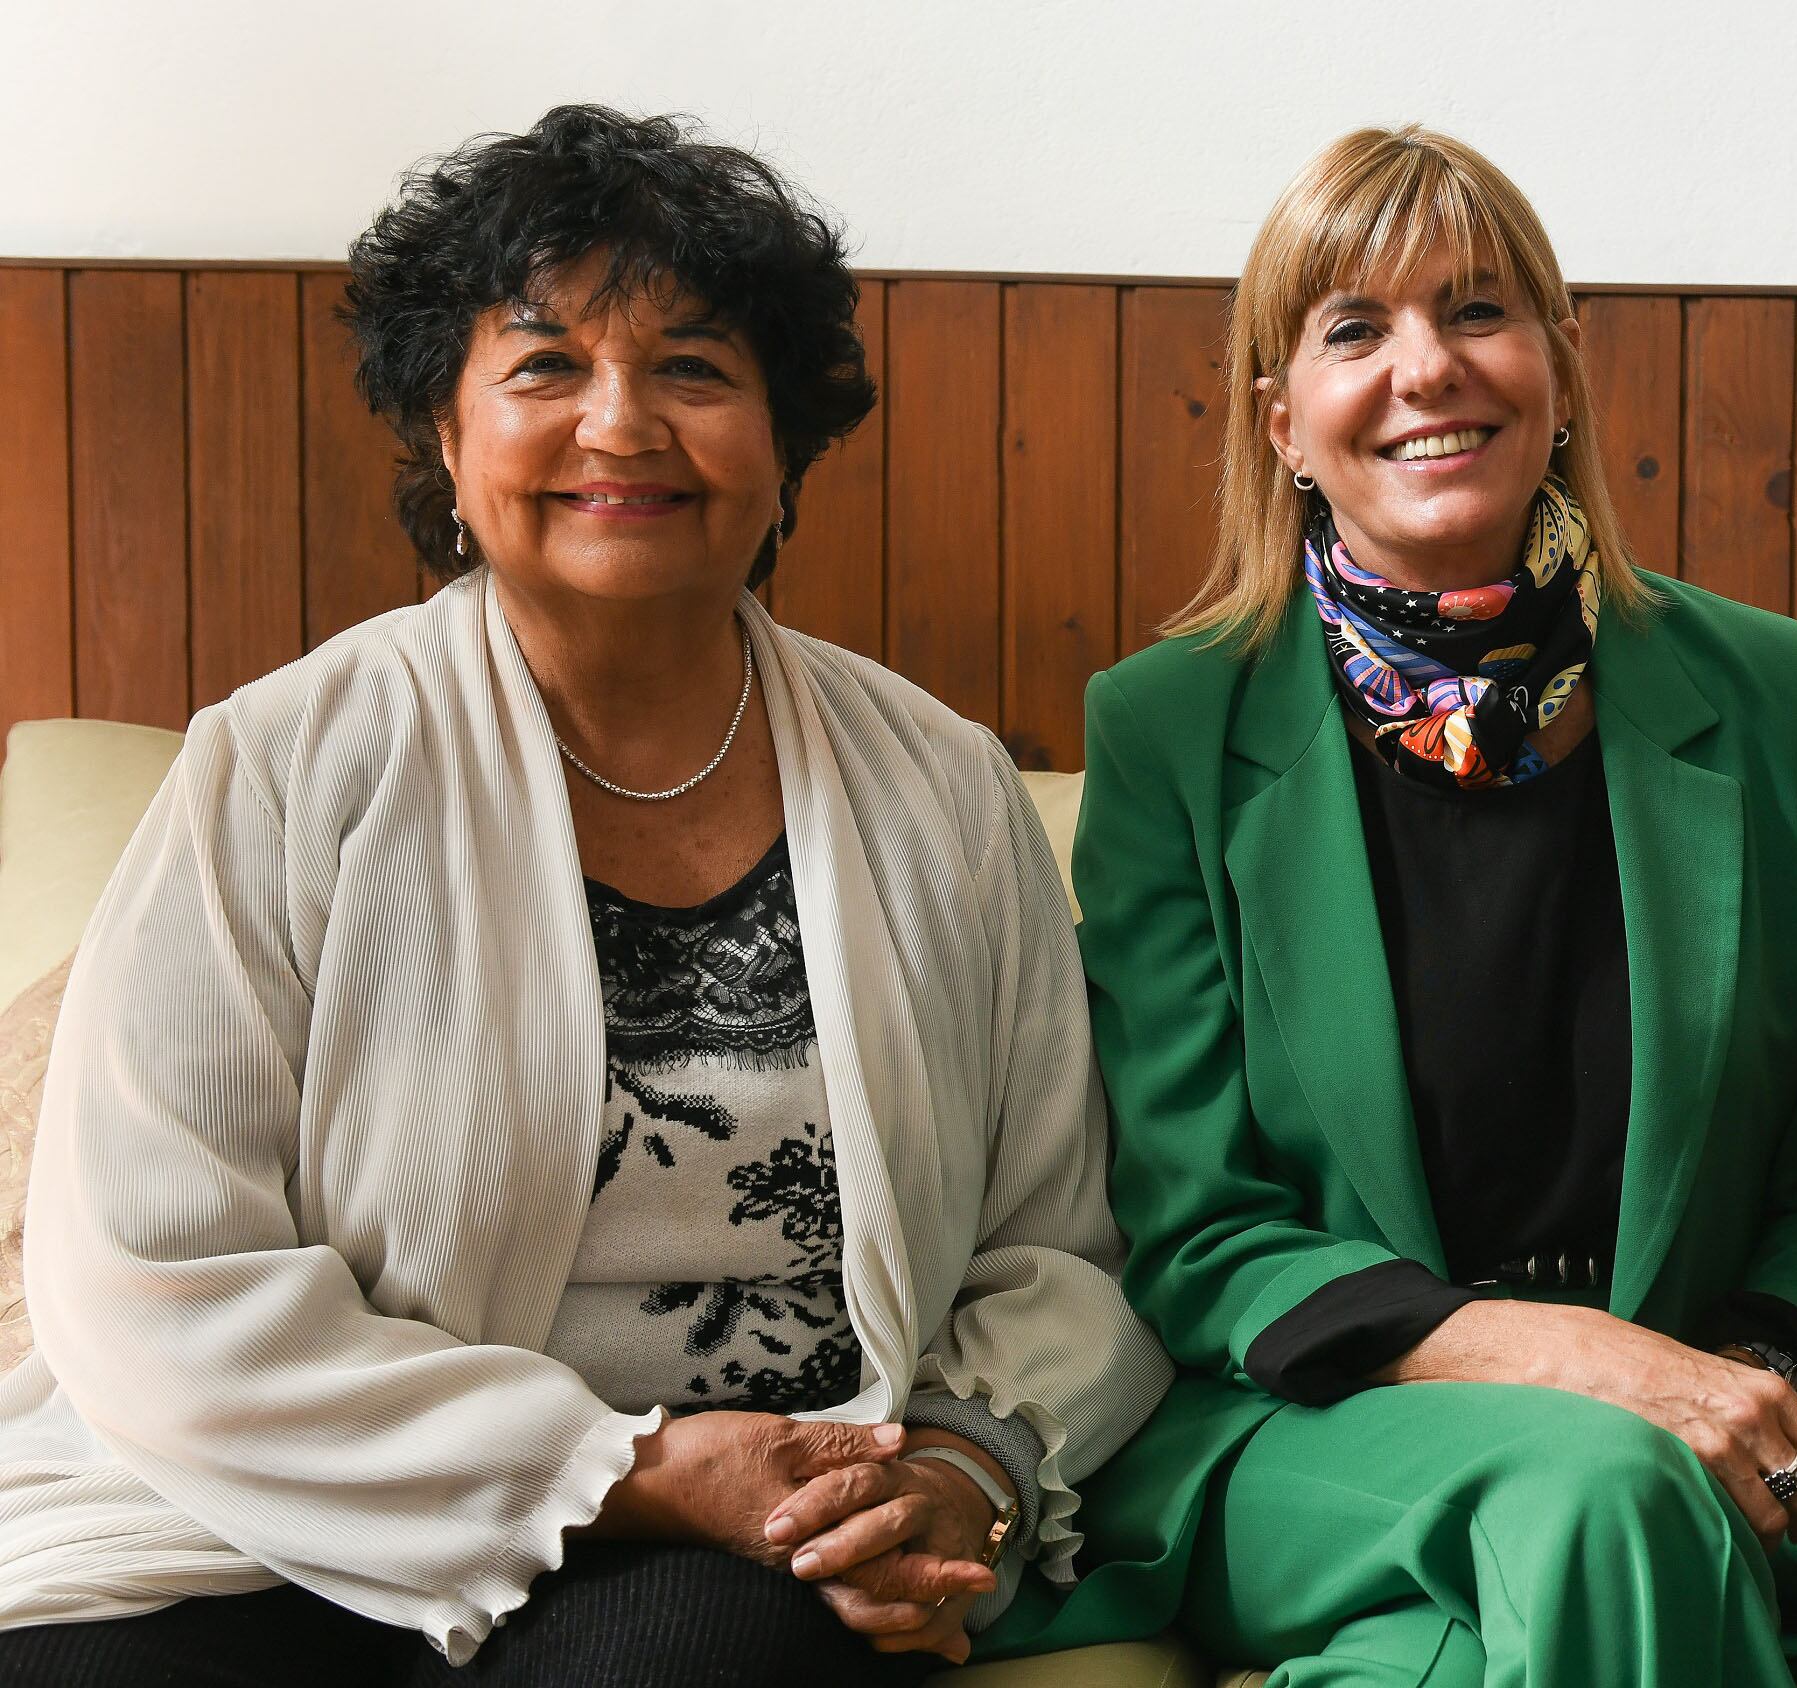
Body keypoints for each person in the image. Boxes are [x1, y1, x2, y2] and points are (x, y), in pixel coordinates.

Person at [0, 105, 1168, 1684]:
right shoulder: (281, 769)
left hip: (740, 1544)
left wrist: (961, 1471)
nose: (620, 426)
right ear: (445, 432)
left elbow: (1058, 1245)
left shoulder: (941, 786)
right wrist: (623, 1467)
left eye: (693, 367)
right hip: (271, 1515)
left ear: (783, 441)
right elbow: (150, 1275)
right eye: (545, 365)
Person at [983, 125, 1797, 1685]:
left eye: (1478, 310)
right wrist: (1598, 1372)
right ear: (1285, 424)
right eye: (1356, 330)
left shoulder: (1774, 697)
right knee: (1615, 1487)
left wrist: (1746, 1375)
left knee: (1508, 1603)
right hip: (1314, 1433)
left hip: (1705, 1430)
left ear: (1561, 367)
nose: (1428, 367)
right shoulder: (1170, 731)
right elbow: (1203, 1232)